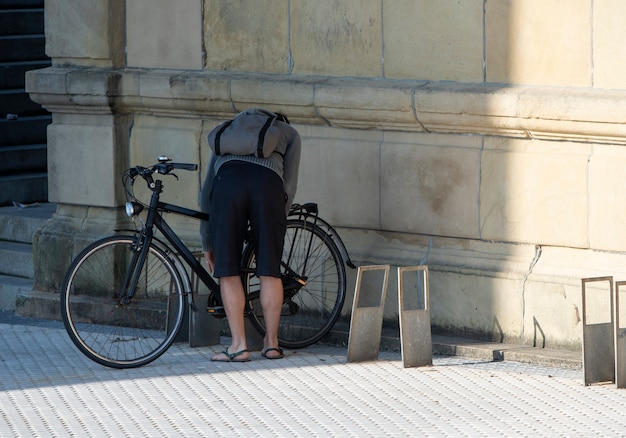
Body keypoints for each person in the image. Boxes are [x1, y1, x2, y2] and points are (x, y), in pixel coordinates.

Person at [200, 108, 302, 362]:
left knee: (229, 270)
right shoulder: (288, 132)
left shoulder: (228, 131)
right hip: (267, 187)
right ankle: (272, 344)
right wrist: (276, 219)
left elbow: (206, 193)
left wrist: (207, 241)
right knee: (269, 270)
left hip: (227, 186)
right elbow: (289, 184)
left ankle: (239, 346)